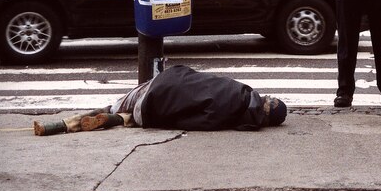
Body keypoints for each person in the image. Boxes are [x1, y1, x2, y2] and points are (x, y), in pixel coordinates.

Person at [33, 65, 287, 136]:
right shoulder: (231, 117)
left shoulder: (240, 88)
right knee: (136, 117)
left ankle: (62, 123)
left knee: (119, 105)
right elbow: (190, 120)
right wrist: (156, 122)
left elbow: (203, 80)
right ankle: (111, 119)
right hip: (155, 102)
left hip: (165, 79)